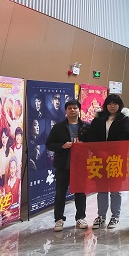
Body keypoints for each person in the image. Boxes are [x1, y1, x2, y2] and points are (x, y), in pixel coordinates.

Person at [86, 94, 129, 229]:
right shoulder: (98, 119)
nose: (112, 106)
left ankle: (115, 216)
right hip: (99, 159)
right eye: (110, 103)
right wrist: (100, 150)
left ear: (120, 105)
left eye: (115, 103)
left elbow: (126, 137)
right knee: (101, 189)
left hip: (116, 159)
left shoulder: (124, 120)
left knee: (115, 189)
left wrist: (110, 150)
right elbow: (91, 136)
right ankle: (101, 216)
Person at [45, 99, 89, 231]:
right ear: (66, 111)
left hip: (80, 165)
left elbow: (93, 144)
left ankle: (80, 218)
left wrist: (84, 145)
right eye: (70, 108)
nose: (72, 110)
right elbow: (49, 144)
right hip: (63, 165)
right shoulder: (58, 127)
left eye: (75, 108)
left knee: (80, 193)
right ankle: (58, 219)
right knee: (60, 193)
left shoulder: (86, 127)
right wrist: (61, 146)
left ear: (79, 110)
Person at [3, 156, 20, 221]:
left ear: (16, 168)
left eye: (14, 168)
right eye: (11, 168)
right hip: (7, 218)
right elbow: (3, 204)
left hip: (16, 215)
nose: (12, 171)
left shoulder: (19, 182)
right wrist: (6, 212)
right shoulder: (5, 185)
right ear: (9, 169)